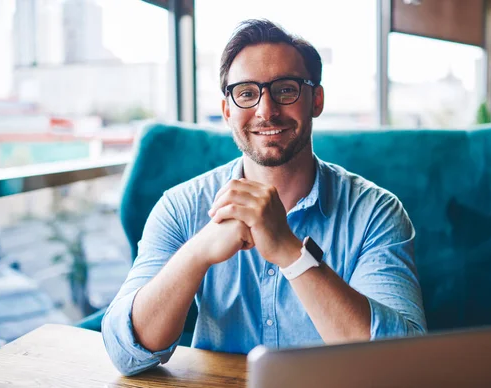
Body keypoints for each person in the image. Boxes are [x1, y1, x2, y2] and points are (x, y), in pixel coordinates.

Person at [102, 19, 426, 376]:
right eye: (245, 93)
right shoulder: (181, 207)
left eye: (286, 90)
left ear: (315, 100)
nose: (266, 110)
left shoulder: (377, 213)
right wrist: (197, 252)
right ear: (227, 111)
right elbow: (125, 353)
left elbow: (402, 365)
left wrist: (290, 252)